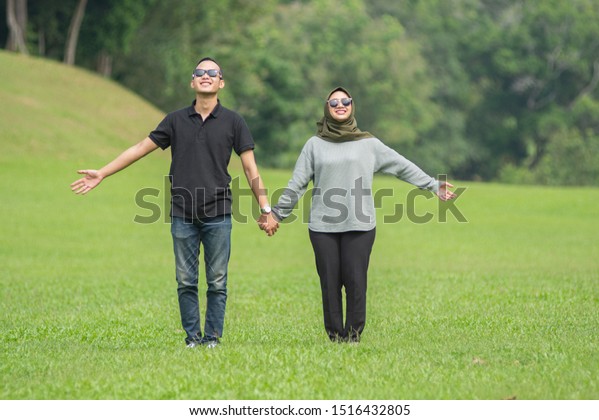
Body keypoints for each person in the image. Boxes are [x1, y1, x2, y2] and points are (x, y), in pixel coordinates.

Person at [71, 57, 273, 348]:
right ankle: (193, 339)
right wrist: (102, 172)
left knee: (217, 282)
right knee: (186, 281)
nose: (206, 76)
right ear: (192, 82)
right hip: (182, 214)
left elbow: (251, 168)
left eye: (212, 72)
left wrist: (265, 209)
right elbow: (140, 148)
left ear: (221, 82)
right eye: (200, 72)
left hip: (219, 213)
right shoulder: (175, 120)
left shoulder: (234, 122)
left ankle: (212, 339)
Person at [260, 87, 456, 343]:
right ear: (326, 107)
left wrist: (432, 184)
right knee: (330, 284)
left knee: (355, 283)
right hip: (322, 228)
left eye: (346, 101)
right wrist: (276, 214)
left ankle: (352, 337)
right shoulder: (314, 145)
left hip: (360, 226)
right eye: (334, 102)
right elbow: (297, 183)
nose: (340, 105)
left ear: (352, 105)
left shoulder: (369, 144)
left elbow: (402, 166)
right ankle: (334, 336)